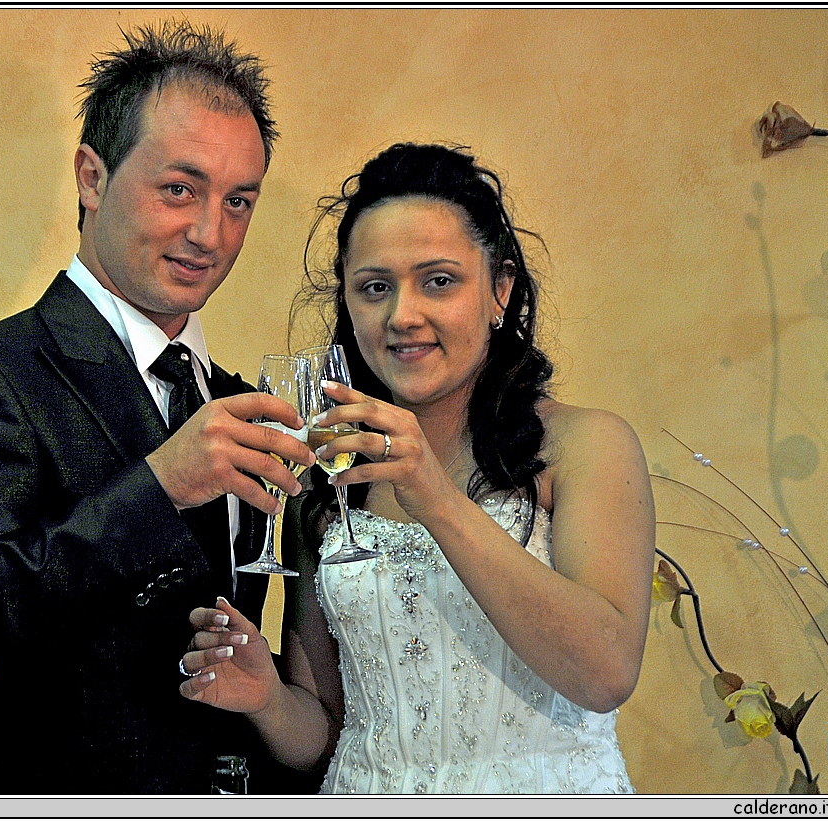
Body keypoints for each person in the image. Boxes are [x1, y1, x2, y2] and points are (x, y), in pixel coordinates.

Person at [0, 20, 316, 794]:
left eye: (238, 201)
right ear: (92, 178)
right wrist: (158, 487)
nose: (209, 233)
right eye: (180, 189)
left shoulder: (234, 402)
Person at [178, 143, 656, 793]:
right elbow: (329, 731)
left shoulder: (585, 445)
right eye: (375, 288)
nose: (403, 316)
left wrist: (436, 496)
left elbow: (604, 673)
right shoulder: (327, 474)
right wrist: (266, 698)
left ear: (499, 289)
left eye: (438, 281)